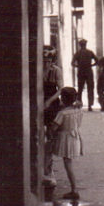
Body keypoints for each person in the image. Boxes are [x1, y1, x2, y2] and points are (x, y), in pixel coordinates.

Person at [49, 86, 84, 201]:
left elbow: (54, 127)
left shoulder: (62, 113)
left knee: (68, 164)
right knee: (68, 162)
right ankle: (74, 189)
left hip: (65, 139)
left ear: (63, 99)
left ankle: (74, 190)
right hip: (75, 137)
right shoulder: (78, 110)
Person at [42, 45, 62, 187]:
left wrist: (49, 101)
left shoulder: (55, 71)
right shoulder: (38, 70)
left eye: (48, 61)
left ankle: (48, 169)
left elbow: (60, 89)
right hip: (40, 102)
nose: (46, 63)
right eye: (43, 60)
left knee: (50, 134)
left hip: (51, 102)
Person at [71, 38, 97, 111]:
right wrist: (91, 65)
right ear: (85, 44)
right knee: (90, 88)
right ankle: (90, 106)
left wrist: (78, 66)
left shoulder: (77, 53)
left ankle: (79, 105)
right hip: (89, 71)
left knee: (80, 89)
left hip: (81, 72)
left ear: (80, 45)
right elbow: (97, 61)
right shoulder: (90, 52)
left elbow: (72, 63)